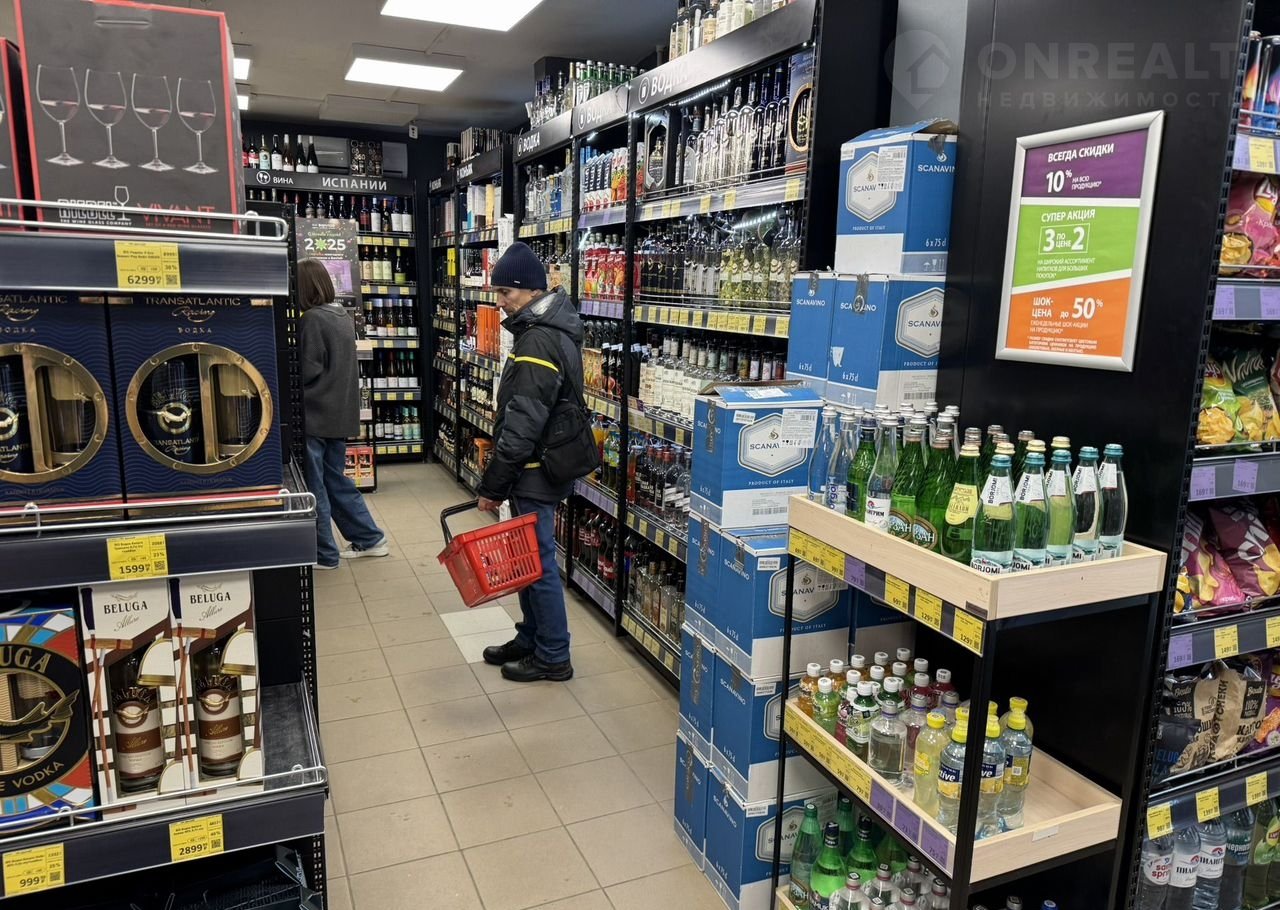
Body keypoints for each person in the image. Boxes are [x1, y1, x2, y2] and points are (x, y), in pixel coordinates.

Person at [477, 242, 587, 683]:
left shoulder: (538, 340)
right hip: (540, 466)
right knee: (528, 558)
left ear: (531, 291)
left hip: (535, 471)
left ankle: (553, 655)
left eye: (505, 292)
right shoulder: (545, 329)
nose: (500, 301)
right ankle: (531, 637)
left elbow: (523, 424)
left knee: (537, 563)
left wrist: (493, 485)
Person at [297, 258, 389, 569]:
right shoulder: (340, 315)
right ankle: (369, 538)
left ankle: (324, 554)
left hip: (315, 415)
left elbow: (307, 370)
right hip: (339, 414)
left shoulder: (312, 319)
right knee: (336, 481)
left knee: (315, 486)